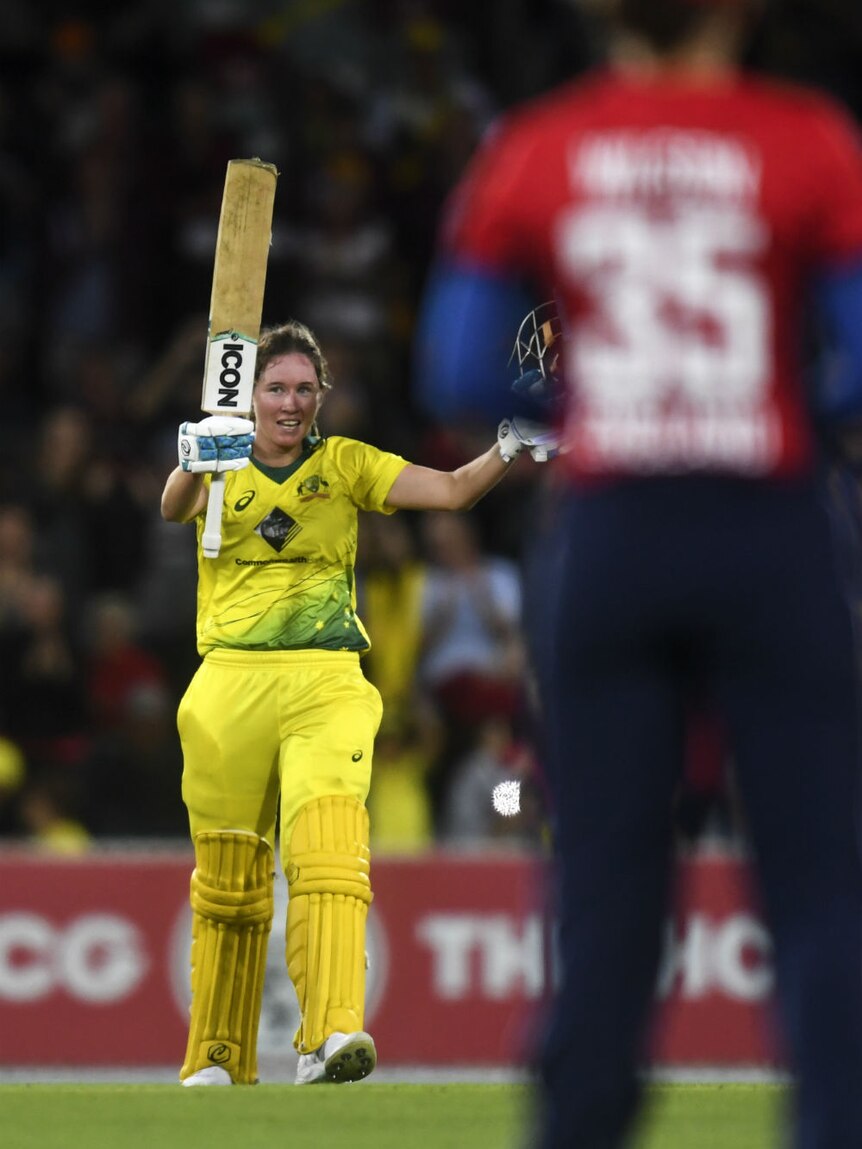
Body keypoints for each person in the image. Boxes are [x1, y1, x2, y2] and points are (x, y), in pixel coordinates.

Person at [414, 1, 862, 1146]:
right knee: (818, 883)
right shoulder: (808, 140)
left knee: (605, 886)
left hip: (611, 533)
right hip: (767, 520)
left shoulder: (536, 146)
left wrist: (596, 410)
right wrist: (785, 411)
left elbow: (459, 365)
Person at [159, 318, 554, 1087]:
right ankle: (217, 1053)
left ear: (322, 397)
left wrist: (508, 443)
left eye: (306, 389)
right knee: (229, 882)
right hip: (227, 681)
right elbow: (174, 507)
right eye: (276, 387)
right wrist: (192, 456)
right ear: (255, 393)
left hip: (327, 677)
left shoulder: (342, 463)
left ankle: (331, 1032)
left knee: (329, 849)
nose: (291, 402)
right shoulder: (221, 454)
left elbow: (449, 490)